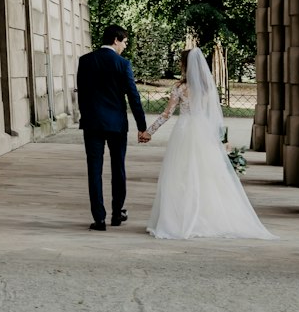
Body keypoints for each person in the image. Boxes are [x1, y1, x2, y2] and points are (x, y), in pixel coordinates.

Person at [145, 46, 274, 240]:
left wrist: (149, 132)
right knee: (206, 176)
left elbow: (166, 114)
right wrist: (223, 139)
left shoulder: (179, 88)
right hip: (204, 132)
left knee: (180, 176)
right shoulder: (207, 87)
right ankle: (205, 217)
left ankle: (178, 219)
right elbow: (214, 116)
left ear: (185, 65)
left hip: (185, 132)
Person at [76, 24, 150, 231]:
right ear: (116, 40)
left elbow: (82, 94)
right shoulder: (122, 64)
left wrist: (87, 116)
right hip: (117, 125)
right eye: (125, 42)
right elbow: (134, 97)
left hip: (92, 124)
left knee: (94, 171)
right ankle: (117, 213)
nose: (125, 46)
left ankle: (99, 219)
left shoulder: (85, 61)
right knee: (118, 168)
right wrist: (142, 126)